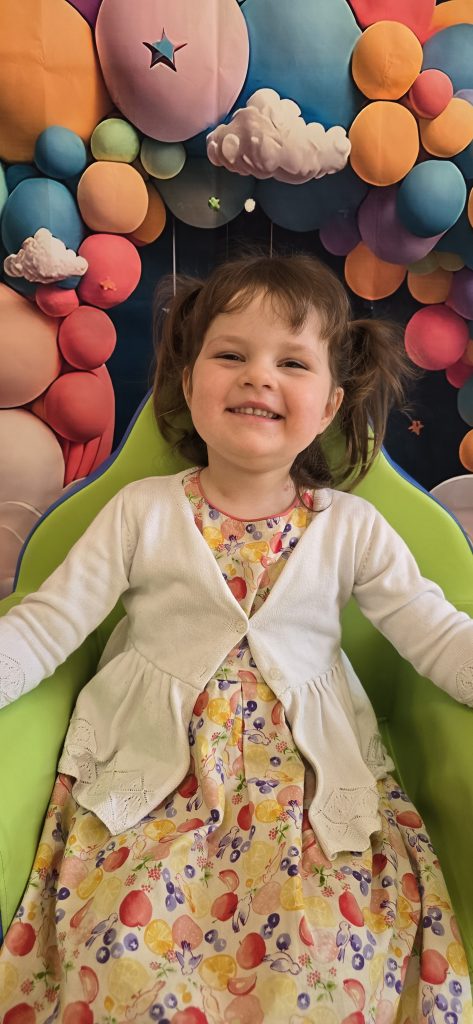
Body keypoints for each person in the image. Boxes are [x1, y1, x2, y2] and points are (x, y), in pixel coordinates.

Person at [0, 253, 472, 1024]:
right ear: (188, 384)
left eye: (292, 362)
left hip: (305, 787)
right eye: (230, 355)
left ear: (329, 405)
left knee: (328, 958)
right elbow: (50, 620)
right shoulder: (141, 511)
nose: (258, 376)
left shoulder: (350, 527)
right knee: (125, 955)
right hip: (155, 772)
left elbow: (434, 631)